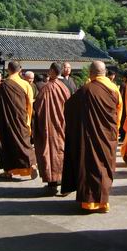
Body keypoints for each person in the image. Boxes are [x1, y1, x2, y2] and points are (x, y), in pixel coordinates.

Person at [61, 61, 122, 212]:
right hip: (108, 135)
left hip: (89, 135)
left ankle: (89, 202)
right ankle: (103, 203)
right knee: (104, 168)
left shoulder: (86, 89)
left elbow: (68, 107)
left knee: (90, 166)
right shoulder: (114, 89)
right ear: (104, 73)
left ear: (91, 73)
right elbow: (119, 113)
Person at [0, 61, 37, 180]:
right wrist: (28, 122)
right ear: (20, 71)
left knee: (7, 145)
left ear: (8, 70)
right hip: (21, 120)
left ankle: (8, 171)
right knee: (24, 144)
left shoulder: (2, 86)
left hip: (5, 122)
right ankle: (32, 165)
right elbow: (30, 105)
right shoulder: (26, 84)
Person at [33, 62, 71, 193]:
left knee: (50, 153)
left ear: (53, 72)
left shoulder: (46, 88)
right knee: (61, 152)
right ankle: (62, 180)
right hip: (62, 124)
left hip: (49, 126)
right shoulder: (64, 87)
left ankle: (52, 182)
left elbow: (38, 107)